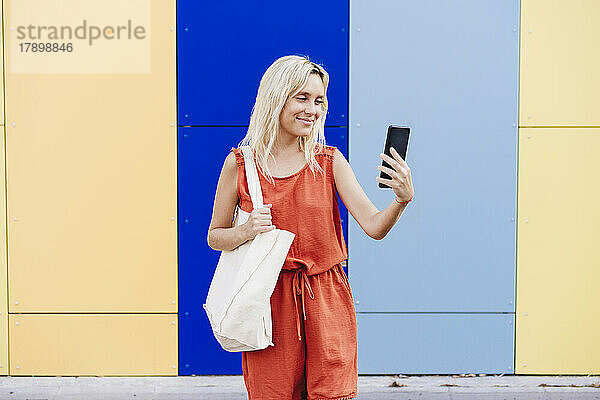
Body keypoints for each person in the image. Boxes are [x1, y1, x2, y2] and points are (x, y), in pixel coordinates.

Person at [207, 55, 414, 400]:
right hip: (269, 302)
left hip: (327, 299)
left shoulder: (329, 161)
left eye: (319, 101)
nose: (312, 109)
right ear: (276, 98)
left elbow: (375, 227)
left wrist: (400, 201)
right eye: (301, 98)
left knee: (333, 394)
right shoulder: (241, 165)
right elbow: (215, 236)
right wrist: (245, 231)